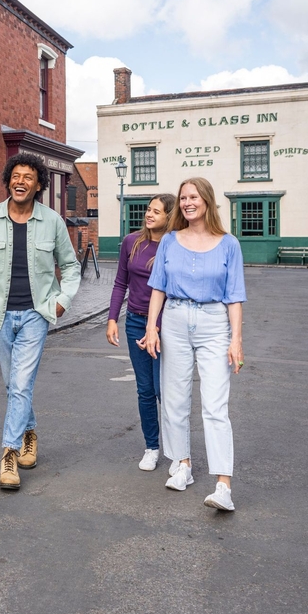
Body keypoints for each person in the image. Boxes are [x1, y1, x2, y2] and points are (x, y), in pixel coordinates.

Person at [0, 153, 81, 491]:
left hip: (36, 315)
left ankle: (8, 455)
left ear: (38, 184)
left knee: (21, 384)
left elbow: (70, 267)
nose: (20, 181)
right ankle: (29, 432)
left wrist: (61, 302)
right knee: (13, 385)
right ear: (9, 181)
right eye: (15, 175)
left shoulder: (52, 221)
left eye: (28, 176)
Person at [139, 177, 246, 512]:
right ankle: (182, 464)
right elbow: (158, 287)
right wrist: (152, 328)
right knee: (174, 397)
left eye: (193, 197)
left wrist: (236, 340)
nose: (187, 202)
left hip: (215, 324)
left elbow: (235, 297)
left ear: (207, 201)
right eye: (183, 197)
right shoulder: (169, 241)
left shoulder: (229, 244)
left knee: (215, 405)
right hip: (174, 319)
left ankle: (223, 485)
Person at [106, 194, 176, 472]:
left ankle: (177, 452)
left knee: (166, 391)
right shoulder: (131, 242)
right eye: (148, 210)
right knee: (145, 389)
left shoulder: (176, 245)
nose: (149, 215)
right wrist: (112, 319)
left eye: (156, 212)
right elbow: (120, 282)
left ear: (169, 217)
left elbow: (176, 292)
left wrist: (156, 326)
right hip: (135, 322)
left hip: (167, 326)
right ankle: (152, 447)